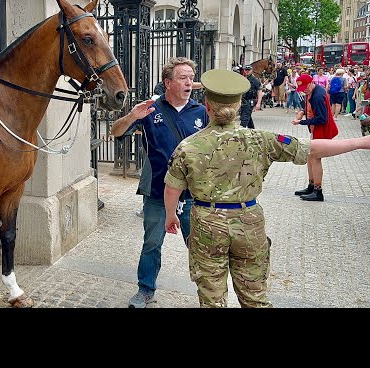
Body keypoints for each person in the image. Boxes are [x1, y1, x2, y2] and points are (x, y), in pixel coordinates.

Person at [163, 68, 370, 308]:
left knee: (211, 297)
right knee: (255, 297)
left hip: (207, 221)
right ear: (239, 106)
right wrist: (360, 142)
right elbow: (312, 148)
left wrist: (171, 216)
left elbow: (172, 188)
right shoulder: (261, 139)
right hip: (248, 221)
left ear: (207, 106)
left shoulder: (188, 146)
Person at [111, 57, 209, 308]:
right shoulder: (150, 110)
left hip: (193, 195)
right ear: (168, 83)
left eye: (191, 77)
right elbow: (116, 132)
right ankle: (145, 289)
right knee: (151, 242)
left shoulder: (201, 112)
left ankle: (209, 293)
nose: (189, 82)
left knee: (198, 246)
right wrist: (132, 115)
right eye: (182, 78)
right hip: (157, 192)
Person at [291, 73, 338, 202]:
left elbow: (322, 118)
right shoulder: (312, 91)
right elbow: (309, 108)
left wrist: (301, 122)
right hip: (316, 129)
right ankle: (311, 186)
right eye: (302, 89)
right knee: (310, 156)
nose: (304, 90)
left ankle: (318, 191)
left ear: (312, 83)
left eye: (306, 87)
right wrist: (302, 112)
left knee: (315, 157)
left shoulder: (317, 96)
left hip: (322, 130)